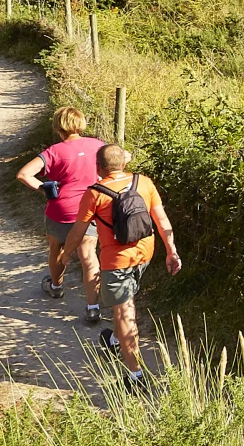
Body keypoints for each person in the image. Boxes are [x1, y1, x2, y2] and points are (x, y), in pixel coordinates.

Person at [73, 144, 182, 387]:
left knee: (124, 312)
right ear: (124, 163)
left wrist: (64, 255)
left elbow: (78, 231)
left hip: (117, 261)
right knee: (125, 300)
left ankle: (136, 376)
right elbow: (161, 220)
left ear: (98, 168)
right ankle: (115, 340)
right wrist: (171, 251)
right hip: (144, 253)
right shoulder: (143, 182)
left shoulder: (94, 193)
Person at [16, 107, 105, 323]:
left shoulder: (53, 152)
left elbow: (23, 174)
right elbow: (121, 160)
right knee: (89, 256)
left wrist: (44, 189)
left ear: (58, 127)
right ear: (81, 123)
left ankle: (56, 287)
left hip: (60, 209)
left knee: (56, 249)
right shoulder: (98, 146)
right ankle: (93, 307)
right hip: (90, 209)